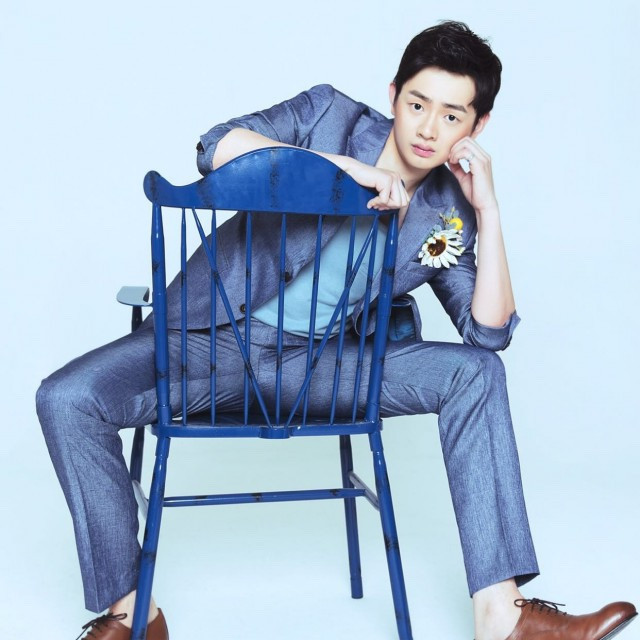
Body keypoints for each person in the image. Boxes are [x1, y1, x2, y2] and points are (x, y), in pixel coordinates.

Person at [36, 20, 636, 640]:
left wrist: (488, 210)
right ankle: (135, 615)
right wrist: (345, 173)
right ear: (394, 95)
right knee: (66, 398)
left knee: (478, 373)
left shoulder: (446, 209)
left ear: (476, 127)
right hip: (206, 341)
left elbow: (487, 335)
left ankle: (503, 616)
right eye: (417, 104)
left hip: (318, 368)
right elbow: (215, 147)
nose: (428, 128)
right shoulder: (329, 117)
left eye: (452, 115)